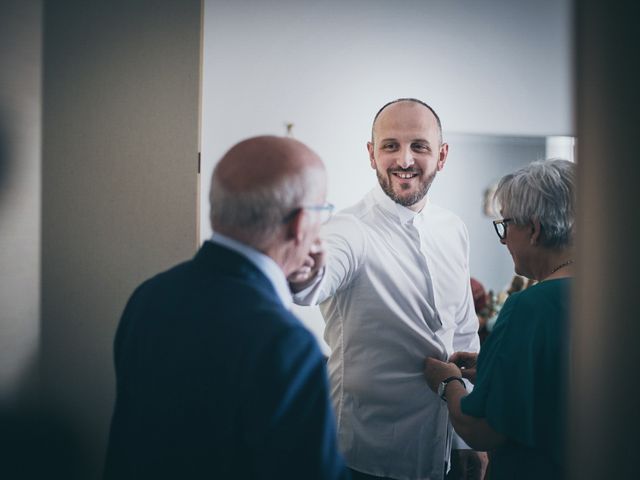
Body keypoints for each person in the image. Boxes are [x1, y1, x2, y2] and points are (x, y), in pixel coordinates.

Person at [104, 136, 349, 480]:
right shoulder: (286, 345)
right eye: (322, 212)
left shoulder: (150, 296)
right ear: (300, 224)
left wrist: (282, 279)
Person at [289, 99, 481, 480]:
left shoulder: (453, 228)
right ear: (371, 154)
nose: (404, 159)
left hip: (440, 452)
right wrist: (299, 265)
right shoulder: (347, 230)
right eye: (390, 145)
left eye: (419, 146)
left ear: (441, 156)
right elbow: (310, 283)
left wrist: (466, 440)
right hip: (363, 456)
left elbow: (463, 331)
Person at [424, 159, 575, 479]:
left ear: (533, 229)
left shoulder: (528, 308)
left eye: (505, 226)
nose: (504, 240)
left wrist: (448, 383)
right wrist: (492, 373)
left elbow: (482, 429)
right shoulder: (610, 298)